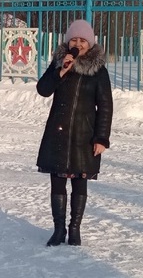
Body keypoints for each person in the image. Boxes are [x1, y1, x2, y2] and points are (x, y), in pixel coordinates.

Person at [36, 19, 113, 247]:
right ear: (68, 41)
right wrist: (60, 71)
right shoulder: (60, 64)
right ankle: (58, 230)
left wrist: (101, 138)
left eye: (82, 41)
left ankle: (74, 230)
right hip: (58, 133)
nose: (78, 44)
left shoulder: (98, 71)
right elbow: (43, 90)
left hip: (84, 135)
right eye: (74, 39)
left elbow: (106, 107)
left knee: (80, 182)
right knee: (57, 182)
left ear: (89, 44)